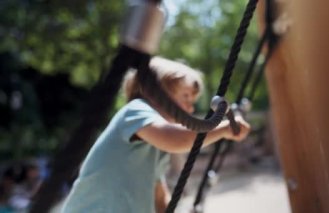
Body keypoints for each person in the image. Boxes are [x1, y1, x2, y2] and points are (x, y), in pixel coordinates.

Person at [61, 57, 250, 213]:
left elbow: (159, 197)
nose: (190, 108)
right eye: (185, 96)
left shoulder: (156, 146)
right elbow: (176, 139)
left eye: (193, 101)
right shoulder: (135, 111)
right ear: (157, 91)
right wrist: (223, 129)